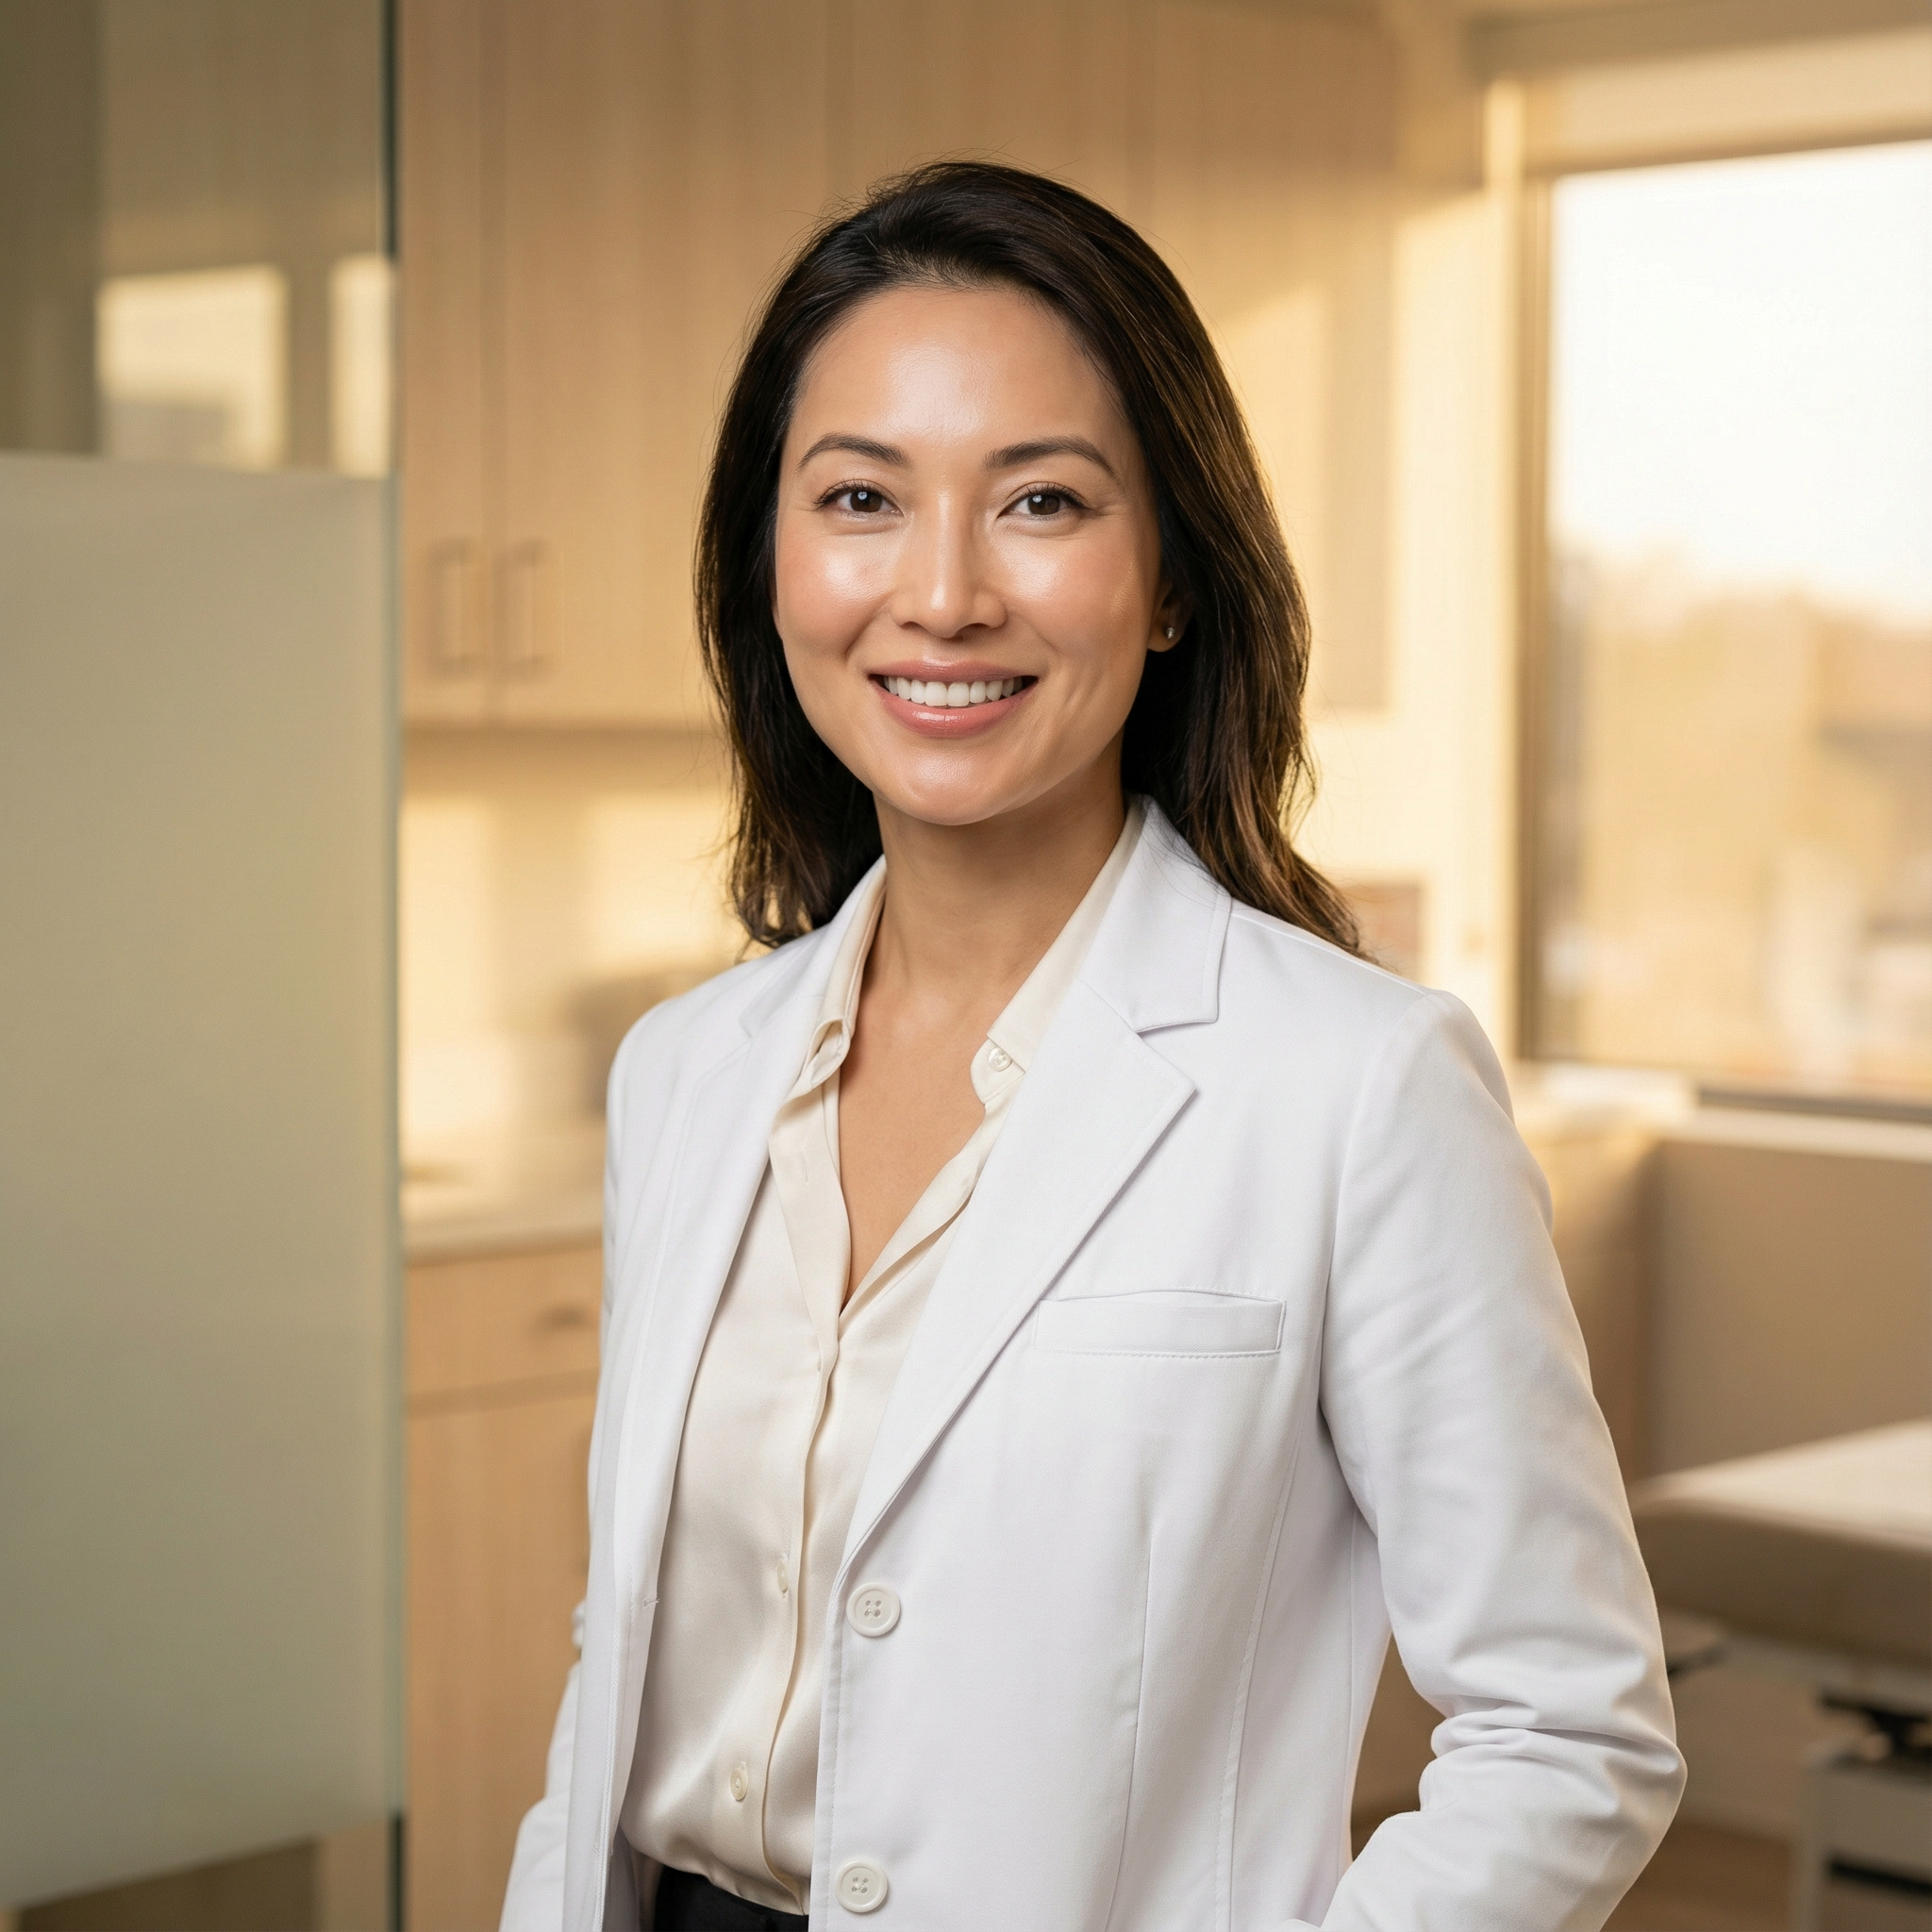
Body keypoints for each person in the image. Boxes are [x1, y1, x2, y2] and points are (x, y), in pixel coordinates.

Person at [501, 160, 1682, 1932]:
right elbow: (633, 1644)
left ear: (1173, 579)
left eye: (1040, 500)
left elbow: (1567, 1733)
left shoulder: (1355, 1089)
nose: (946, 594)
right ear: (772, 562)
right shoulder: (685, 1072)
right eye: (860, 500)